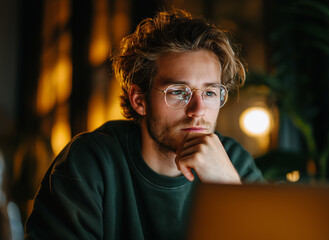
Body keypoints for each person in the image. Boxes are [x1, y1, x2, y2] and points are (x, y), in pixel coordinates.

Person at [25, 9, 264, 240]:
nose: (198, 110)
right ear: (139, 101)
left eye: (210, 93)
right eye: (179, 92)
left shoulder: (234, 161)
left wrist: (230, 188)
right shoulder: (91, 161)